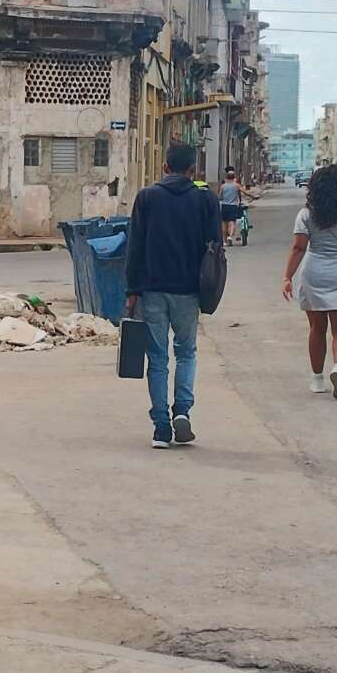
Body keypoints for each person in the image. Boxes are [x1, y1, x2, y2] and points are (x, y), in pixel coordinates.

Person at [125, 142, 221, 449]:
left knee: (156, 358)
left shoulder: (147, 197)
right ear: (193, 170)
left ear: (164, 167)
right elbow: (216, 248)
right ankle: (182, 412)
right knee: (186, 352)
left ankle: (161, 428)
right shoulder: (206, 199)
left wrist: (131, 290)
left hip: (152, 289)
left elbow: (135, 247)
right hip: (189, 291)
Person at [281, 164, 337, 400]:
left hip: (313, 273)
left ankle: (317, 379)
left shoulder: (306, 214)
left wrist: (287, 277)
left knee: (316, 329)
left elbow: (299, 247)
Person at [218, 168, 245, 246]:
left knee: (224, 223)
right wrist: (253, 196)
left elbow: (220, 197)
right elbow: (245, 192)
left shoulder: (223, 186)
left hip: (224, 206)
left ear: (226, 177)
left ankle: (225, 241)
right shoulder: (236, 185)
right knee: (232, 222)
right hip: (233, 206)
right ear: (234, 178)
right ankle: (230, 236)